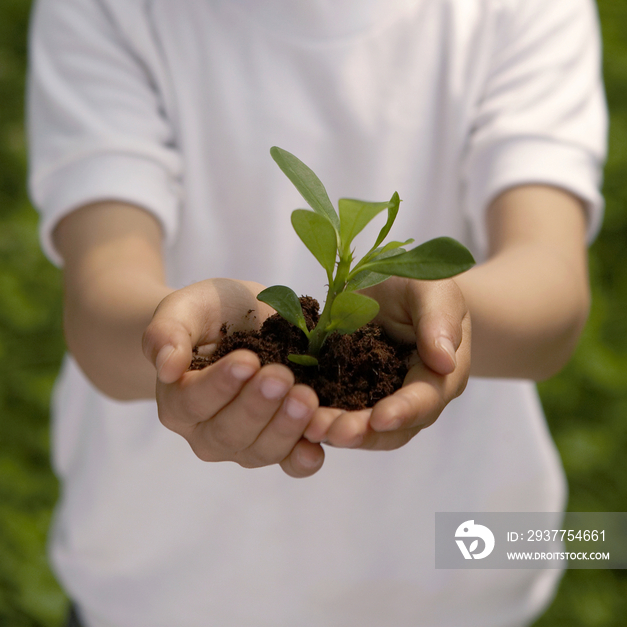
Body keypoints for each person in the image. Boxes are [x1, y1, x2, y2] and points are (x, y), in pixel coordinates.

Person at [27, 0, 607, 625]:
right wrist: (177, 339)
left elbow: (553, 294)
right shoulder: (107, 10)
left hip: (452, 578)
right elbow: (101, 296)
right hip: (168, 584)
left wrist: (443, 315)